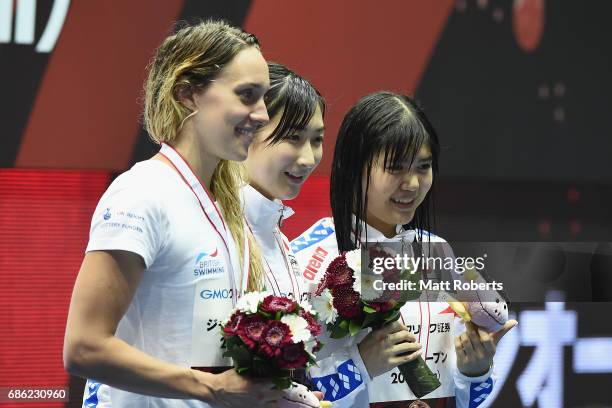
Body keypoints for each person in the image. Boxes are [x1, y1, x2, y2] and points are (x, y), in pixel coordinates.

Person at [63, 20, 290, 407]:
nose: (264, 115)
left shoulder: (223, 204)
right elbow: (84, 347)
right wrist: (211, 389)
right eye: (247, 95)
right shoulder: (142, 194)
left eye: (264, 97)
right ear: (187, 94)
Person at [292, 92, 517, 407]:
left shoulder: (437, 252)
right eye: (395, 167)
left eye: (423, 167)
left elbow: (468, 399)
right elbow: (282, 391)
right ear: (354, 167)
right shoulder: (309, 257)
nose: (412, 183)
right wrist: (360, 365)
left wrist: (474, 371)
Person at [241, 62, 325, 303]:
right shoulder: (213, 229)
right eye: (293, 138)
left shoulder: (278, 235)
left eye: (317, 139)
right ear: (246, 132)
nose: (308, 159)